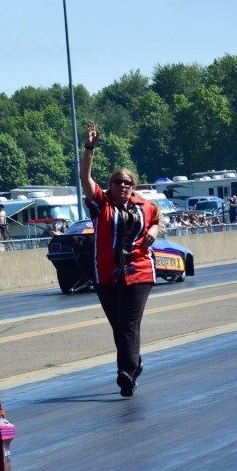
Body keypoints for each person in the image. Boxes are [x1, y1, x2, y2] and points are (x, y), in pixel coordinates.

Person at [80, 121, 161, 397]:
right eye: (118, 182)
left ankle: (125, 373)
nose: (123, 186)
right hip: (106, 274)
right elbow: (85, 178)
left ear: (133, 187)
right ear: (111, 185)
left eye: (127, 183)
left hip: (139, 271)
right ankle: (134, 364)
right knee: (119, 325)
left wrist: (153, 231)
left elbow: (158, 220)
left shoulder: (145, 206)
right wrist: (90, 148)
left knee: (128, 322)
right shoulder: (100, 203)